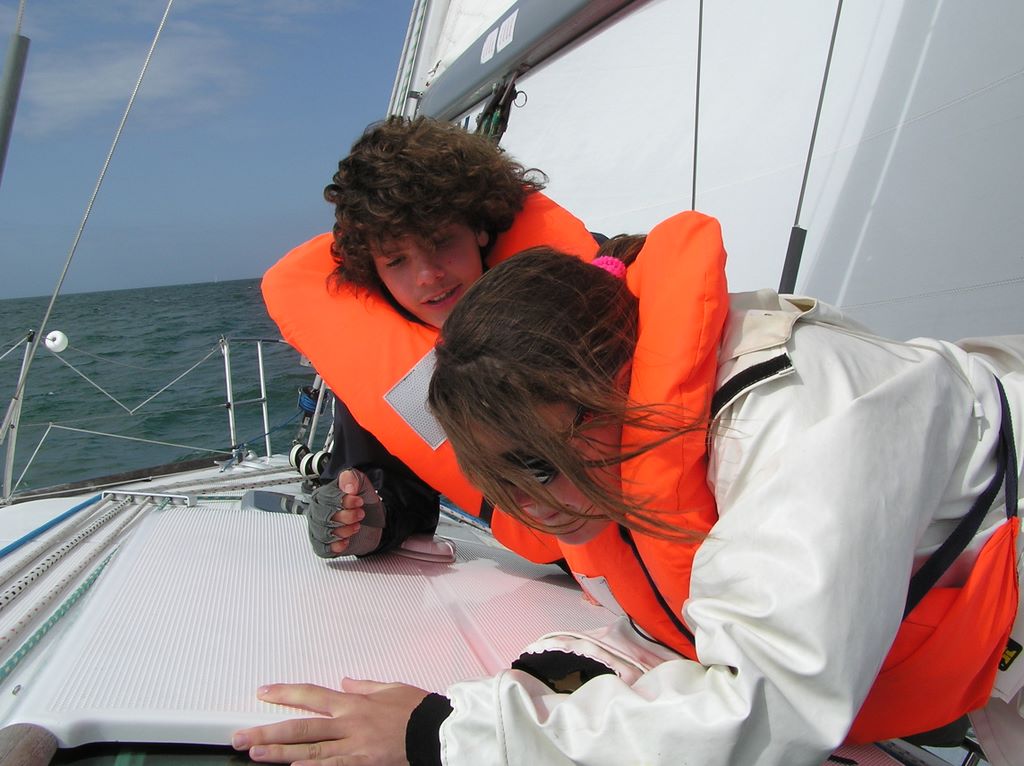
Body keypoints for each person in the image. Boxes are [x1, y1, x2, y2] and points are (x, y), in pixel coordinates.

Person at [234, 211, 1024, 765]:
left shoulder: (800, 426)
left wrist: (443, 738)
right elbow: (669, 622)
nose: (530, 508)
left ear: (613, 384)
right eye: (500, 478)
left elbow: (767, 707)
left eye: (536, 464)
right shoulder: (608, 449)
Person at [261, 116, 599, 561]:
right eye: (396, 260)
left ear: (479, 227)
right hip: (575, 564)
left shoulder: (587, 282)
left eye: (441, 241)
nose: (427, 276)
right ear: (373, 271)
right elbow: (393, 484)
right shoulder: (381, 357)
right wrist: (363, 515)